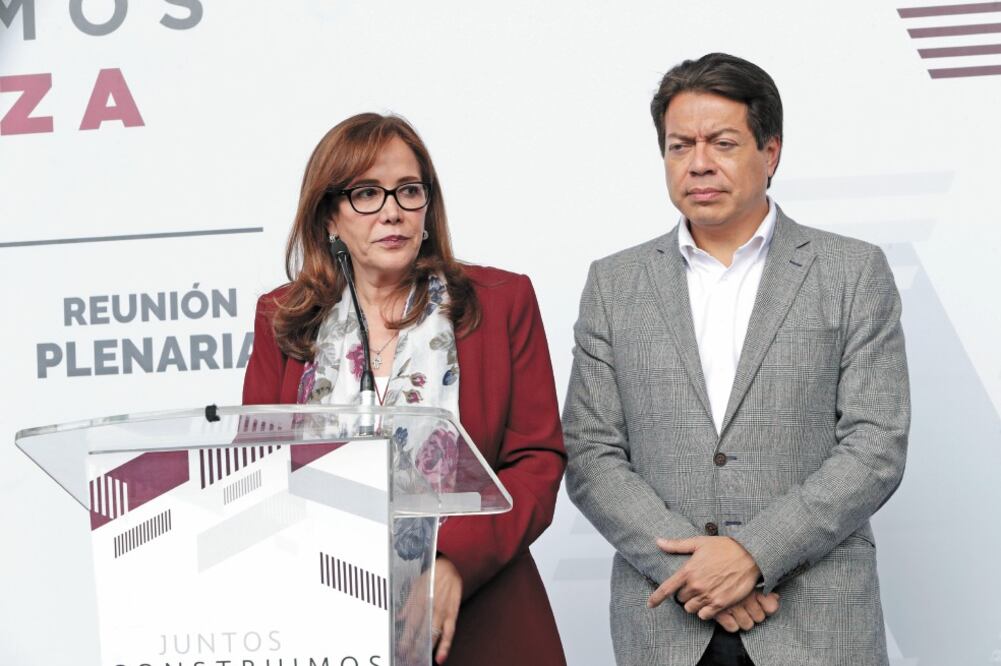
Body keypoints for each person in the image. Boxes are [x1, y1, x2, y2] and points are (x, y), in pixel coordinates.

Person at [563, 53, 909, 666]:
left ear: (770, 152)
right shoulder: (614, 284)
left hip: (817, 624)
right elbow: (591, 454)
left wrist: (753, 555)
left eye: (722, 142)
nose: (698, 163)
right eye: (678, 146)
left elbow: (876, 445)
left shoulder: (852, 272)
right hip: (668, 622)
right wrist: (700, 572)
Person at [242, 113, 567, 665]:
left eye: (408, 191)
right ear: (329, 217)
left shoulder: (501, 301)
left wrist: (450, 561)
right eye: (366, 193)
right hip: (325, 612)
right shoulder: (284, 317)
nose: (391, 210)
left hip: (478, 616)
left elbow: (536, 461)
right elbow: (257, 468)